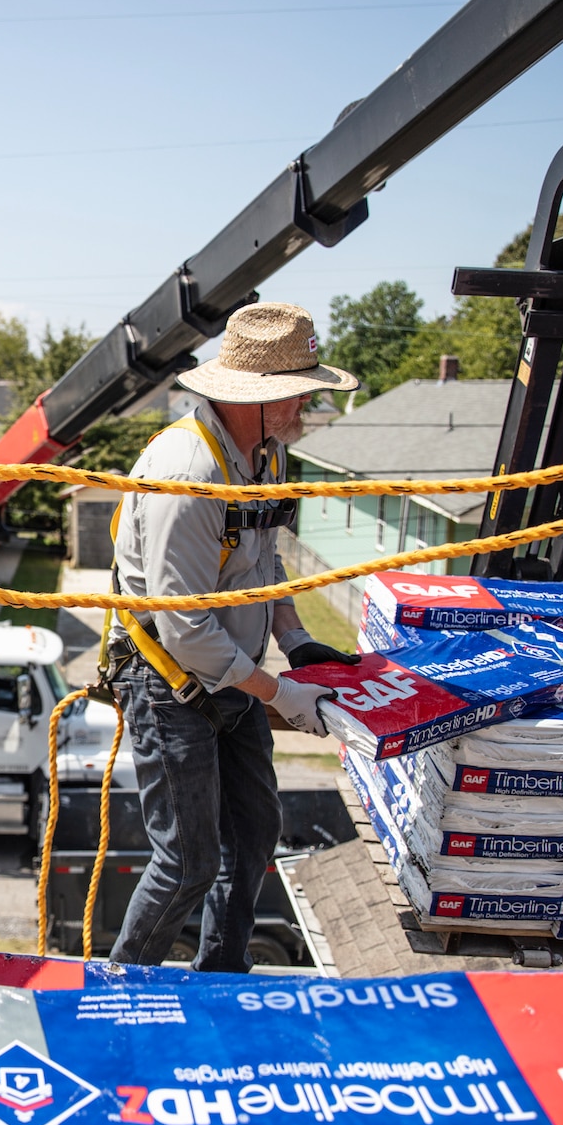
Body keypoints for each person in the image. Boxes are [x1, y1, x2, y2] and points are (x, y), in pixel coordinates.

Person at [101, 302, 359, 972]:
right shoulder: (188, 474)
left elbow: (260, 562)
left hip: (233, 672)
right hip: (170, 680)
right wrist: (280, 692)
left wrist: (296, 638)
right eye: (299, 392)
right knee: (187, 862)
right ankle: (114, 993)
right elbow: (184, 627)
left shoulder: (263, 456)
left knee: (253, 834)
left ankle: (222, 976)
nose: (307, 403)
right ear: (262, 398)